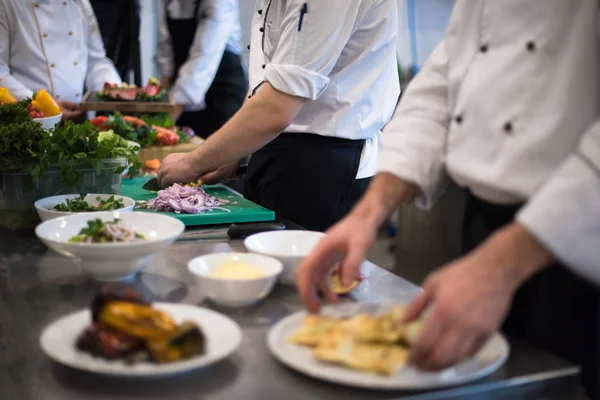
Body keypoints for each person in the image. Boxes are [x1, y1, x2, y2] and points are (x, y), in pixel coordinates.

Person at [296, 1, 600, 398]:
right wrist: (366, 214)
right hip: (483, 228)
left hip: (577, 245)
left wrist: (500, 268)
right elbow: (443, 84)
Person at [157, 0, 400, 231]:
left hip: (323, 168)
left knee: (300, 274)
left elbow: (277, 106)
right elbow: (267, 82)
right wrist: (234, 149)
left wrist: (192, 162)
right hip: (272, 147)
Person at [0, 0, 121, 120]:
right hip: (32, 121)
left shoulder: (80, 3)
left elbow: (96, 62)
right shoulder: (7, 4)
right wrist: (45, 107)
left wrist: (114, 89)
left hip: (77, 118)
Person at [156, 0, 247, 139]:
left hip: (222, 93)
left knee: (217, 154)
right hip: (181, 94)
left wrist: (165, 121)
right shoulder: (169, 3)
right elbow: (165, 49)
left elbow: (203, 58)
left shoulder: (221, 3)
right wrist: (162, 102)